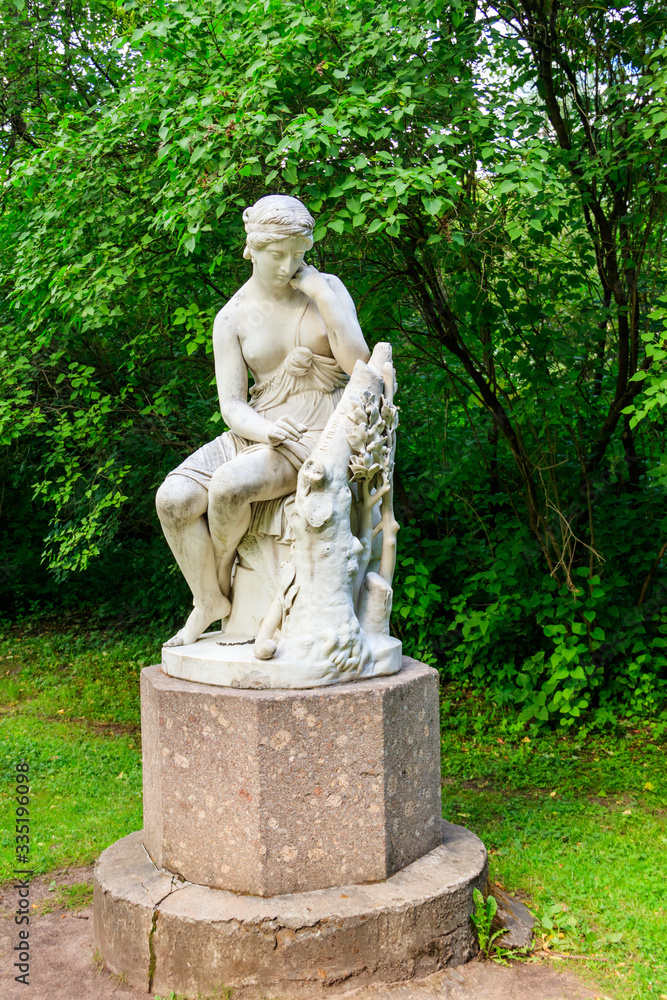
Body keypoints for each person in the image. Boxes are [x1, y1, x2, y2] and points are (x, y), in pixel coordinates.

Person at [156, 195, 371, 646]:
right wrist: (262, 430)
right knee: (173, 498)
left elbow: (359, 367)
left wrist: (321, 296)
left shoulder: (326, 289)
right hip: (260, 428)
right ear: (252, 249)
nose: (290, 264)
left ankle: (220, 574)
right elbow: (232, 405)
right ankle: (208, 599)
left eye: (301, 253)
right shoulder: (232, 317)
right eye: (279, 254)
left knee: (230, 487)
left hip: (315, 430)